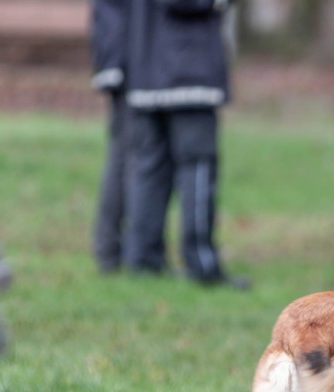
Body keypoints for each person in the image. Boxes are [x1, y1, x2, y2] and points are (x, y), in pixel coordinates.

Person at [123, 0, 248, 289]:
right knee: (198, 167)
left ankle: (143, 260)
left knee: (149, 169)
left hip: (146, 68)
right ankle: (202, 264)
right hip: (187, 70)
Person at [90, 0, 128, 273]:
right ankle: (109, 249)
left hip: (126, 62)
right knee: (123, 157)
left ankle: (116, 248)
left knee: (126, 156)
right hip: (129, 67)